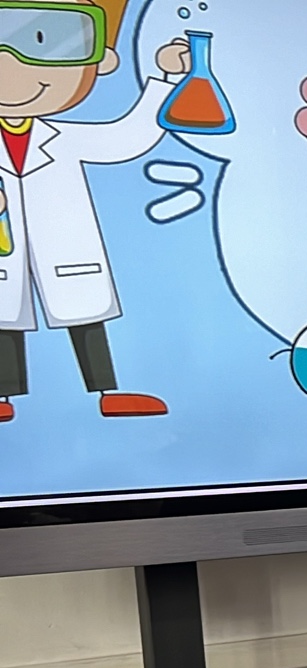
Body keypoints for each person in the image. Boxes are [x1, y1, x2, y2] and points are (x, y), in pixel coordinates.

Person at [0, 0, 183, 421]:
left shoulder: (65, 139)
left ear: (101, 61)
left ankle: (106, 391)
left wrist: (164, 80)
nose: (11, 64)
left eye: (43, 41)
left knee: (84, 315)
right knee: (4, 319)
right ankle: (4, 395)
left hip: (67, 254)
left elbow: (127, 138)